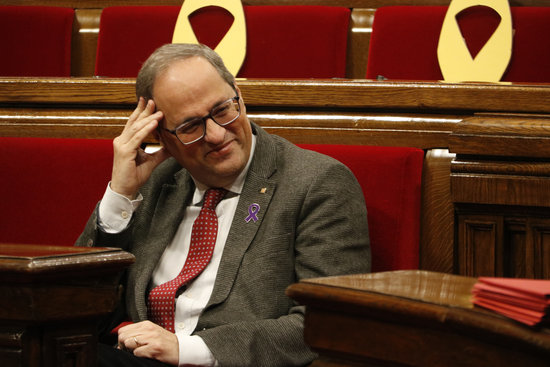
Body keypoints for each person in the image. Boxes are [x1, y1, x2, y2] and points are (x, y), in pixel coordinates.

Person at [76, 43, 370, 367]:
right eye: (190, 127)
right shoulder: (155, 183)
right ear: (161, 136)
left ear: (239, 95)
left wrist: (188, 350)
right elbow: (72, 305)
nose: (216, 135)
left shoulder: (317, 183)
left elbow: (327, 323)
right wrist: (121, 193)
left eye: (222, 110)